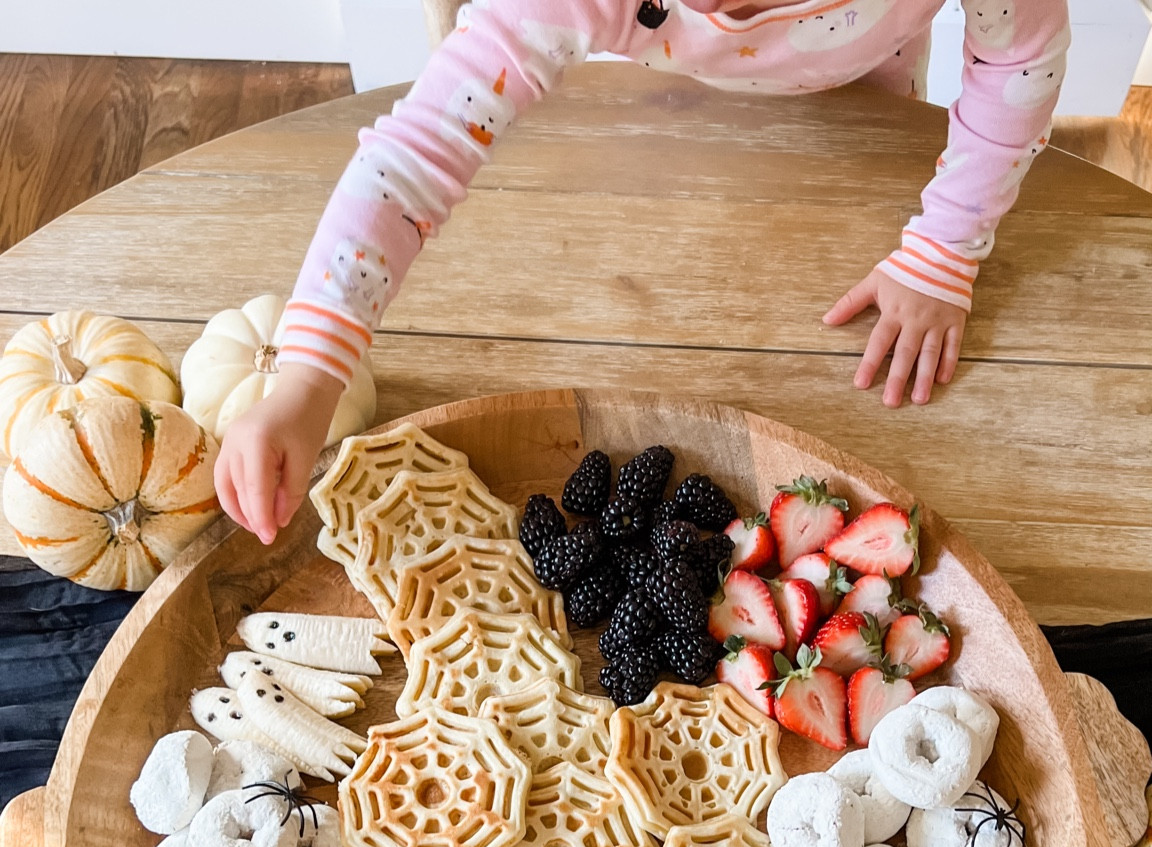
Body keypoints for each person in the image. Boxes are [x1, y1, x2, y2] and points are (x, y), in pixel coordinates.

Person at [215, 0, 1071, 544]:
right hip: (671, 128)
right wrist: (309, 375)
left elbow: (1017, 58)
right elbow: (411, 161)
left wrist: (946, 246)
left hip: (866, 108)